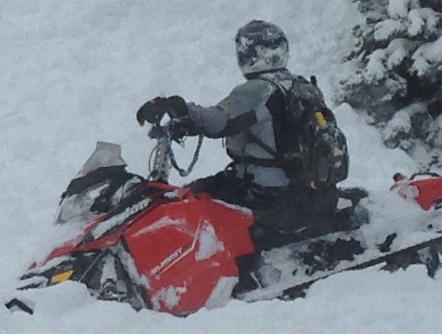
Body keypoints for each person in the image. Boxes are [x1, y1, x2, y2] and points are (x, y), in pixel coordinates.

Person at [138, 19, 351, 257]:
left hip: (263, 189)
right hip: (297, 184)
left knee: (190, 201)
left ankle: (189, 260)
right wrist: (187, 125)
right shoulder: (300, 86)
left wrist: (179, 108)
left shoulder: (257, 90)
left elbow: (219, 120)